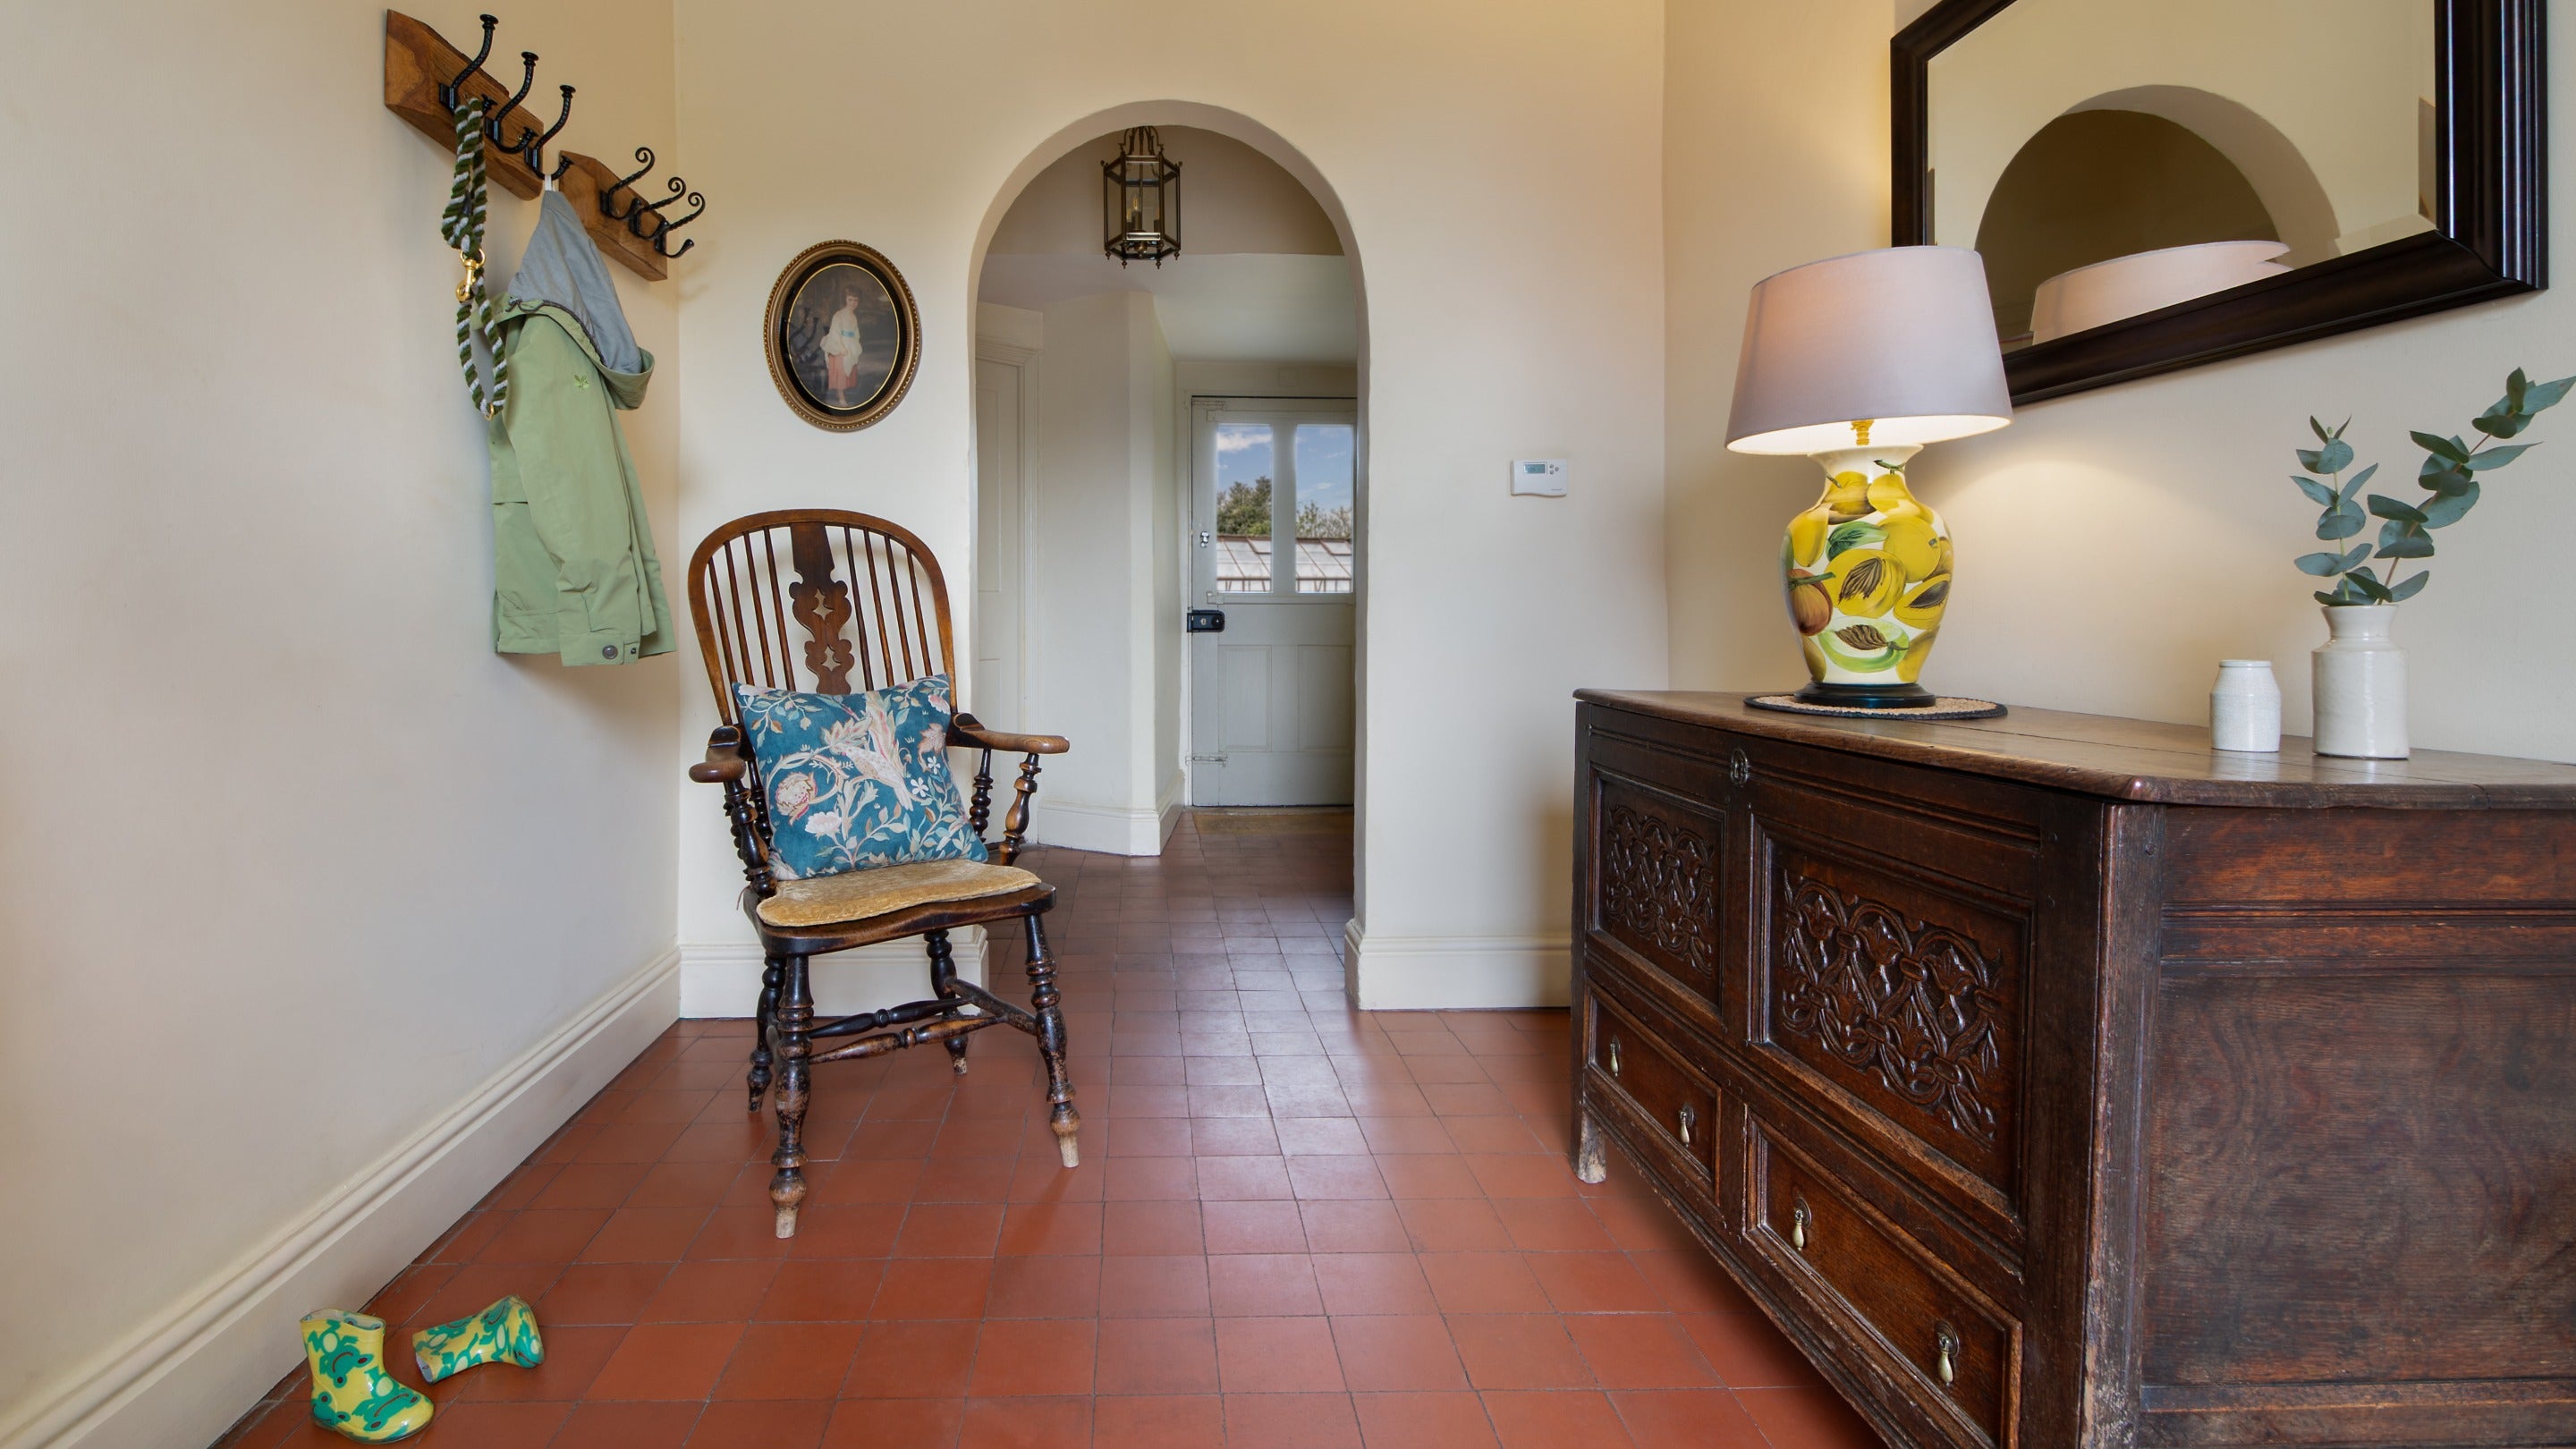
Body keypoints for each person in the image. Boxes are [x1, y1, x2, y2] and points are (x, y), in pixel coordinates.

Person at [821, 286, 867, 404]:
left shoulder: (853, 316)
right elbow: (835, 331)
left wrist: (856, 343)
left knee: (849, 367)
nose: (853, 303)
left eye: (856, 300)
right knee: (840, 371)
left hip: (850, 343)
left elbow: (855, 332)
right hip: (839, 344)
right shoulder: (839, 315)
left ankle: (840, 392)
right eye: (850, 299)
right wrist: (841, 347)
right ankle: (841, 397)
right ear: (845, 299)